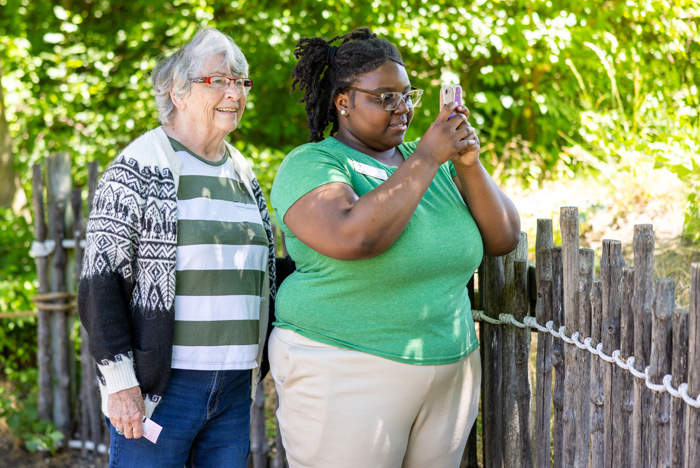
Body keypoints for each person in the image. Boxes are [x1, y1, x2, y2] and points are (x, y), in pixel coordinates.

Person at [268, 27, 521, 468]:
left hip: (449, 369)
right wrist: (426, 156)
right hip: (343, 369)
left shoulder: (428, 164)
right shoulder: (313, 164)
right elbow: (355, 236)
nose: (402, 108)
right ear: (343, 101)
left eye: (406, 96)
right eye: (384, 97)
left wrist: (468, 162)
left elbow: (503, 238)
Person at [77, 27, 277, 468]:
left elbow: (260, 274)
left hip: (232, 387)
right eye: (218, 80)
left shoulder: (242, 171)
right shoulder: (137, 167)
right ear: (178, 91)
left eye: (241, 82)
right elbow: (99, 284)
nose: (235, 93)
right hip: (160, 389)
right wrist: (120, 382)